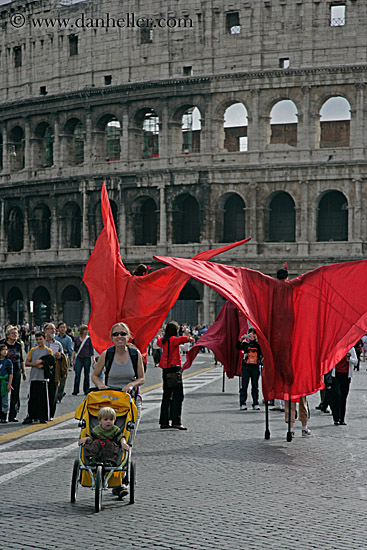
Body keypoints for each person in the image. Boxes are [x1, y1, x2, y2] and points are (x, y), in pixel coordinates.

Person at [91, 322, 145, 419]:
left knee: (129, 432)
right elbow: (95, 376)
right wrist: (100, 385)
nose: (119, 336)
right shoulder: (106, 354)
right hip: (110, 398)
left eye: (123, 334)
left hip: (130, 398)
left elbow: (141, 378)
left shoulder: (135, 354)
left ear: (128, 336)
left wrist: (131, 385)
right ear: (111, 338)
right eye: (115, 334)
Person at [157, 321, 194, 430]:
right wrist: (188, 335)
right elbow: (186, 339)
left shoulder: (163, 341)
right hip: (174, 368)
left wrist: (159, 334)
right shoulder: (174, 340)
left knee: (166, 396)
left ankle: (164, 422)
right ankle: (176, 421)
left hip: (165, 369)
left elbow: (157, 342)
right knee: (178, 396)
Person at [23, 332, 54, 424]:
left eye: (40, 339)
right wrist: (34, 364)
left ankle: (43, 416)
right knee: (32, 398)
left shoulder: (48, 351)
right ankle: (31, 415)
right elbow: (27, 363)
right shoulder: (33, 350)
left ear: (44, 339)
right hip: (34, 377)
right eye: (37, 340)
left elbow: (51, 365)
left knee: (43, 398)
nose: (39, 341)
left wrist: (44, 366)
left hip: (43, 378)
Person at [0, 325, 26, 423]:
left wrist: (23, 371)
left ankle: (13, 415)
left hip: (16, 370)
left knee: (15, 393)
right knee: (3, 392)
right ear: (8, 335)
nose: (15, 335)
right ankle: (2, 415)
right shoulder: (2, 344)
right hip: (4, 372)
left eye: (16, 333)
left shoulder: (18, 345)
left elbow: (21, 359)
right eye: (13, 333)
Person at [328, 347, 357, 426]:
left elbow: (355, 361)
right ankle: (336, 418)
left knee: (343, 397)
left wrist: (349, 359)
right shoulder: (335, 348)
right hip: (336, 375)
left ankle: (342, 419)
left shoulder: (351, 349)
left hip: (346, 376)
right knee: (337, 395)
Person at [236, 328, 263, 411]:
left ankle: (255, 403)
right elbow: (237, 347)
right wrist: (241, 339)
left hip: (255, 367)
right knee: (244, 386)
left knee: (255, 386)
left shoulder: (258, 344)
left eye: (253, 334)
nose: (251, 335)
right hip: (246, 367)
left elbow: (262, 351)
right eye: (250, 333)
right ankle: (242, 403)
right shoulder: (245, 344)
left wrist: (255, 340)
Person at [71, 325, 95, 396]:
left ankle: (86, 390)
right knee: (77, 374)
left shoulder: (89, 339)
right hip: (79, 358)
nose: (86, 331)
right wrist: (72, 358)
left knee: (86, 375)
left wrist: (93, 359)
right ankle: (75, 390)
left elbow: (91, 350)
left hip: (87, 358)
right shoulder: (77, 339)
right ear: (82, 331)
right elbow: (75, 350)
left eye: (87, 330)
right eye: (85, 330)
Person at [0, 344, 13, 423]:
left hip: (5, 381)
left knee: (4, 399)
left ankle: (4, 416)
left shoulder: (8, 361)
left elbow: (10, 374)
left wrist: (9, 384)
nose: (5, 351)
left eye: (6, 350)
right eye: (3, 350)